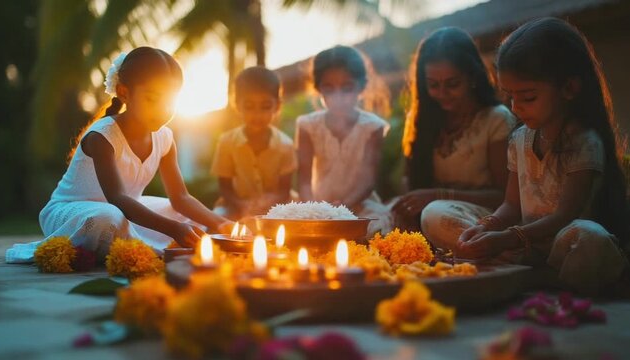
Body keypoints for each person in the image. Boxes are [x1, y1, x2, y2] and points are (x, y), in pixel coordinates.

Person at [6, 47, 232, 263]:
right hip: (74, 212)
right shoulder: (102, 136)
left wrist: (223, 224)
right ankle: (136, 250)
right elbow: (117, 199)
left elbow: (180, 198)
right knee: (109, 218)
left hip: (126, 208)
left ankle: (133, 245)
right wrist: (173, 228)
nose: (163, 110)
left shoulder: (164, 138)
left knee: (186, 215)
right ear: (124, 93)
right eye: (153, 98)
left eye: (170, 100)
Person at [458, 18, 629, 295]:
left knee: (589, 238)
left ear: (569, 88)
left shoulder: (584, 142)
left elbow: (565, 217)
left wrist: (507, 238)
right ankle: (534, 272)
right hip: (526, 245)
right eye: (510, 97)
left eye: (527, 97)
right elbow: (511, 206)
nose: (516, 108)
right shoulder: (520, 139)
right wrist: (486, 227)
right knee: (436, 215)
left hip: (567, 246)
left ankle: (542, 277)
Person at [393, 27, 517, 251]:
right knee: (380, 218)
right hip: (432, 215)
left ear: (472, 77)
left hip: (484, 219)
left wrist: (438, 196)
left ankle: (498, 252)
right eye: (433, 85)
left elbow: (507, 198)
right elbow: (412, 184)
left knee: (436, 215)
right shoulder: (424, 120)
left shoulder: (496, 120)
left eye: (452, 84)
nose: (442, 93)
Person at [295, 45, 390, 236]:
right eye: (329, 89)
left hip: (360, 205)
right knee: (300, 230)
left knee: (377, 228)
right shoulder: (307, 126)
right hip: (317, 206)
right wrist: (315, 209)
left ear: (361, 87)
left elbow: (368, 180)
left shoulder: (372, 127)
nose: (338, 97)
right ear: (317, 89)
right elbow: (304, 180)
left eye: (347, 88)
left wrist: (343, 207)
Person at [211, 66, 297, 220]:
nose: (257, 114)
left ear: (277, 106)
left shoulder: (286, 145)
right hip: (235, 205)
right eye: (249, 106)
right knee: (216, 220)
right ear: (237, 105)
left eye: (265, 107)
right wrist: (241, 205)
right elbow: (225, 187)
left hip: (278, 206)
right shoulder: (227, 142)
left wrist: (270, 201)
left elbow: (284, 191)